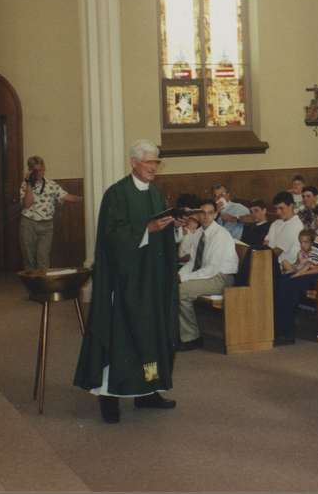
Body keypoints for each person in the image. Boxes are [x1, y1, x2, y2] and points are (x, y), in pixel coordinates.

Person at [74, 140, 181, 423]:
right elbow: (111, 237)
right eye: (149, 163)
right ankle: (108, 397)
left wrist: (172, 226)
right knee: (121, 335)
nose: (154, 169)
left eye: (157, 163)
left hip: (151, 281)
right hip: (124, 282)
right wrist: (146, 228)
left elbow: (160, 230)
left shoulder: (156, 194)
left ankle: (149, 391)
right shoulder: (116, 195)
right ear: (133, 162)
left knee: (150, 336)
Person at [273, 202, 318, 345]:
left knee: (290, 284)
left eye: (315, 218)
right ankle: (280, 328)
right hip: (316, 272)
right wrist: (298, 272)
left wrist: (300, 275)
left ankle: (287, 334)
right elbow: (312, 259)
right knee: (282, 280)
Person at [175, 200, 239, 351]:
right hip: (208, 275)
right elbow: (192, 262)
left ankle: (192, 337)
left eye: (210, 213)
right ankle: (180, 332)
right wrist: (178, 275)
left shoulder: (220, 235)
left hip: (222, 278)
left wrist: (183, 279)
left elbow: (211, 269)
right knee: (174, 286)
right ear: (197, 214)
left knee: (180, 291)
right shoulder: (199, 233)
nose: (205, 216)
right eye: (202, 212)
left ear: (216, 214)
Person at [18, 155, 81, 270]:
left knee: (43, 258)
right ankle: (32, 287)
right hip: (28, 224)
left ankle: (42, 286)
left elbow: (66, 196)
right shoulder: (25, 185)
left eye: (42, 169)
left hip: (46, 226)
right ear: (31, 170)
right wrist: (28, 183)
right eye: (37, 171)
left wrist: (84, 198)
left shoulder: (51, 184)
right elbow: (27, 204)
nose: (40, 173)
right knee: (29, 258)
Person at [264, 191, 304, 278]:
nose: (278, 212)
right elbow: (265, 244)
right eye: (276, 208)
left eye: (281, 208)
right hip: (270, 263)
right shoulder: (276, 223)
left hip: (285, 268)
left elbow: (277, 251)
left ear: (291, 206)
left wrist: (260, 259)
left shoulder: (295, 224)